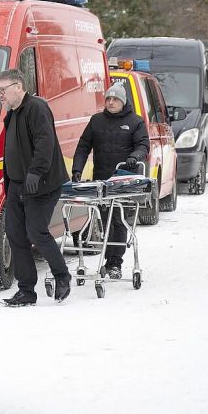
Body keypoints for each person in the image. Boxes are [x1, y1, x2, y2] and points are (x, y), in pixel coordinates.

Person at [0, 69, 72, 306]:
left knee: (37, 232)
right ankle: (26, 290)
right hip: (18, 185)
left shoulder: (36, 108)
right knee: (16, 235)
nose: (0, 96)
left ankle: (62, 276)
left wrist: (36, 172)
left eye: (3, 90)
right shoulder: (12, 115)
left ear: (17, 87)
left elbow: (44, 142)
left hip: (42, 184)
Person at [71, 82, 149, 279]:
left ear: (123, 102)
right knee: (105, 220)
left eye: (115, 99)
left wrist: (135, 157)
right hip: (101, 180)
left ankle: (115, 263)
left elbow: (143, 145)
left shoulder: (135, 121)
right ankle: (108, 259)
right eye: (108, 99)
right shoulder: (96, 121)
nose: (111, 102)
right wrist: (77, 169)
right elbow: (83, 146)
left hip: (123, 180)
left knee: (118, 219)